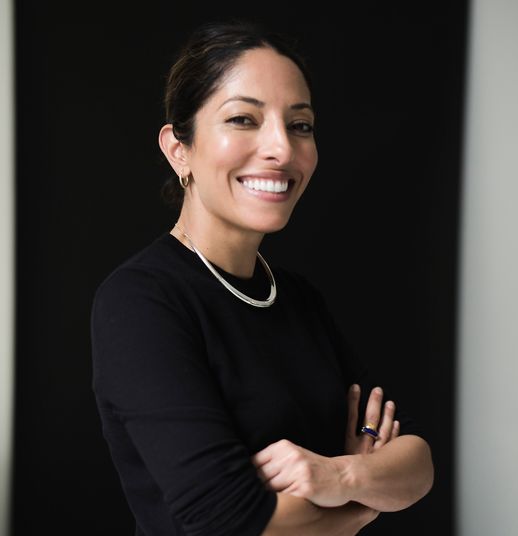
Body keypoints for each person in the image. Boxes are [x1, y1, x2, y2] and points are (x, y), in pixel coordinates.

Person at [90, 19, 434, 536]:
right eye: (243, 119)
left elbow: (417, 464)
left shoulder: (298, 299)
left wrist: (338, 475)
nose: (282, 149)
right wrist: (360, 508)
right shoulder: (141, 301)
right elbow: (228, 519)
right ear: (179, 148)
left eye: (300, 125)